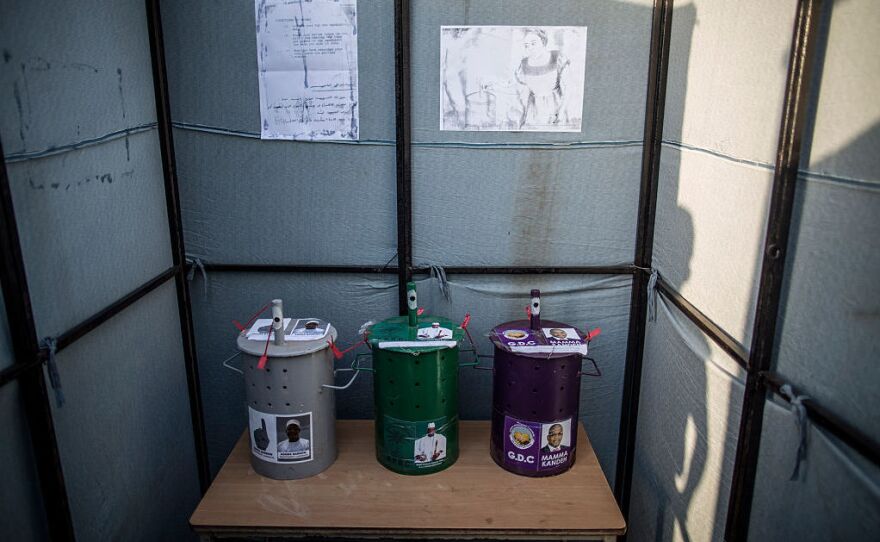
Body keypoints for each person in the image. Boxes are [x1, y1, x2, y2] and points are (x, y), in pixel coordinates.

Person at [515, 28, 571, 129]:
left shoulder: (557, 58)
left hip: (555, 108)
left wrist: (561, 112)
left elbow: (568, 89)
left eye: (533, 43)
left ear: (543, 42)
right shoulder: (524, 64)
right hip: (533, 112)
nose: (530, 48)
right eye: (526, 45)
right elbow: (519, 88)